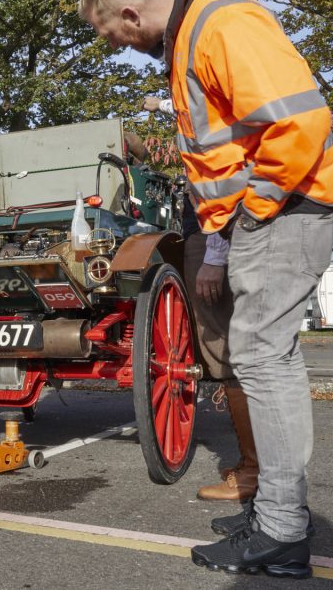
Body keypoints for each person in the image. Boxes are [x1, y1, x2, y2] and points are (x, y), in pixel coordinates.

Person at [79, 0, 333, 578]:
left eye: (112, 35)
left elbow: (299, 122)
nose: (116, 46)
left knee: (260, 357)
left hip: (283, 209)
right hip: (268, 214)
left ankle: (282, 532)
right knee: (261, 357)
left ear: (130, 13)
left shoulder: (222, 25)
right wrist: (229, 232)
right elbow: (220, 158)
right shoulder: (191, 37)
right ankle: (277, 514)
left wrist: (250, 214)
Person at [143, 97, 257, 503]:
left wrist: (213, 255)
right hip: (213, 232)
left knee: (222, 349)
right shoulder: (198, 109)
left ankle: (253, 471)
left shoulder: (203, 120)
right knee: (225, 349)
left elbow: (216, 187)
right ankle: (252, 465)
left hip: (213, 236)